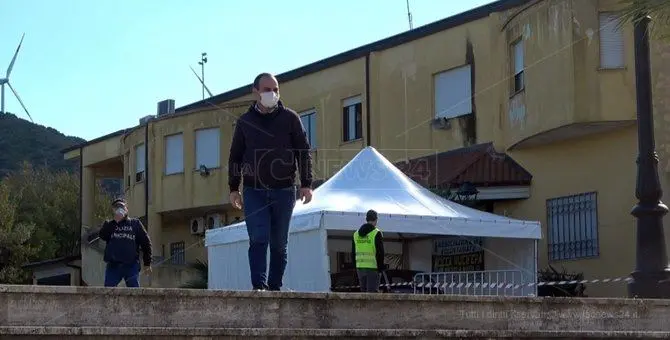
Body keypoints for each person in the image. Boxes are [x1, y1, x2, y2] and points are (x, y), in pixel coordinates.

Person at [228, 72, 314, 291]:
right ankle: (259, 288)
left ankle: (275, 290)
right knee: (258, 238)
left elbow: (303, 152)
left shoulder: (291, 118)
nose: (272, 93)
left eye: (275, 89)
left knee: (278, 245)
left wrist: (306, 183)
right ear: (255, 91)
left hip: (284, 190)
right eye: (267, 89)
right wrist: (233, 188)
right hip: (253, 191)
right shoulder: (245, 122)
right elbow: (235, 156)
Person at [98, 198, 152, 287]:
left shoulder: (135, 224)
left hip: (131, 265)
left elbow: (146, 243)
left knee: (133, 290)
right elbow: (103, 236)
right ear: (113, 210)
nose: (119, 209)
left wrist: (147, 263)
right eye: (116, 207)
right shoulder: (109, 224)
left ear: (126, 209)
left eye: (122, 207)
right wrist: (115, 222)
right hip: (113, 265)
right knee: (108, 289)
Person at [352, 210, 385, 293]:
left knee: (363, 295)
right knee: (372, 295)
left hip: (360, 268)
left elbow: (353, 253)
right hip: (373, 268)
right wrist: (380, 269)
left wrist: (355, 267)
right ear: (376, 220)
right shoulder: (376, 233)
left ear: (366, 219)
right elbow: (380, 253)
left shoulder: (356, 234)